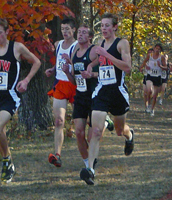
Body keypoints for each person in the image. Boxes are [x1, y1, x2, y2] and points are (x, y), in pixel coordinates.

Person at [0, 18, 41, 183]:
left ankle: (6, 161)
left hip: (10, 95)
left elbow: (37, 62)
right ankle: (8, 163)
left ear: (6, 32)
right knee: (0, 132)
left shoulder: (17, 48)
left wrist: (26, 81)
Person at [79, 13, 134, 185]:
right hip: (101, 91)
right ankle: (91, 171)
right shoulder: (100, 44)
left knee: (119, 130)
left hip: (117, 92)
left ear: (115, 27)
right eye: (102, 26)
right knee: (96, 131)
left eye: (107, 25)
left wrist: (106, 55)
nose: (104, 29)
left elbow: (128, 68)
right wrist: (89, 68)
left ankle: (129, 136)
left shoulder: (122, 43)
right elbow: (99, 62)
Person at [61, 24, 114, 169]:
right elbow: (75, 80)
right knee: (78, 132)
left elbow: (107, 70)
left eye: (84, 33)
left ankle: (104, 122)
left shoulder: (95, 51)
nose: (80, 35)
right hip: (80, 96)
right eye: (79, 32)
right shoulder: (74, 52)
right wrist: (67, 72)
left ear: (90, 37)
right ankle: (88, 163)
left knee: (91, 137)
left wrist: (92, 74)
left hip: (95, 95)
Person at [45, 18, 78, 168]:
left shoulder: (78, 46)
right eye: (63, 29)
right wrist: (52, 70)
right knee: (59, 121)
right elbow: (58, 61)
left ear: (74, 30)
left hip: (75, 85)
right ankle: (57, 155)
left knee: (82, 123)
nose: (65, 32)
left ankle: (103, 121)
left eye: (67, 29)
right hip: (60, 84)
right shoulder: (58, 45)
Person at [140, 43, 167, 116]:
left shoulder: (162, 57)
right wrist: (142, 67)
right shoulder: (150, 55)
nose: (157, 50)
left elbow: (166, 67)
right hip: (150, 75)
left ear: (160, 50)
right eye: (156, 48)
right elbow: (145, 61)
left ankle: (152, 109)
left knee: (155, 95)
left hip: (158, 77)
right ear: (154, 48)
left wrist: (160, 66)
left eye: (159, 49)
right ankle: (148, 104)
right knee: (149, 90)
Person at [141, 48, 153, 112]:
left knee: (150, 92)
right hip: (145, 77)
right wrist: (142, 69)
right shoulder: (146, 61)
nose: (150, 54)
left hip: (152, 78)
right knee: (145, 93)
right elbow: (141, 67)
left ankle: (150, 104)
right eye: (149, 52)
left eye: (151, 52)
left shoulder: (155, 61)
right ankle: (146, 106)